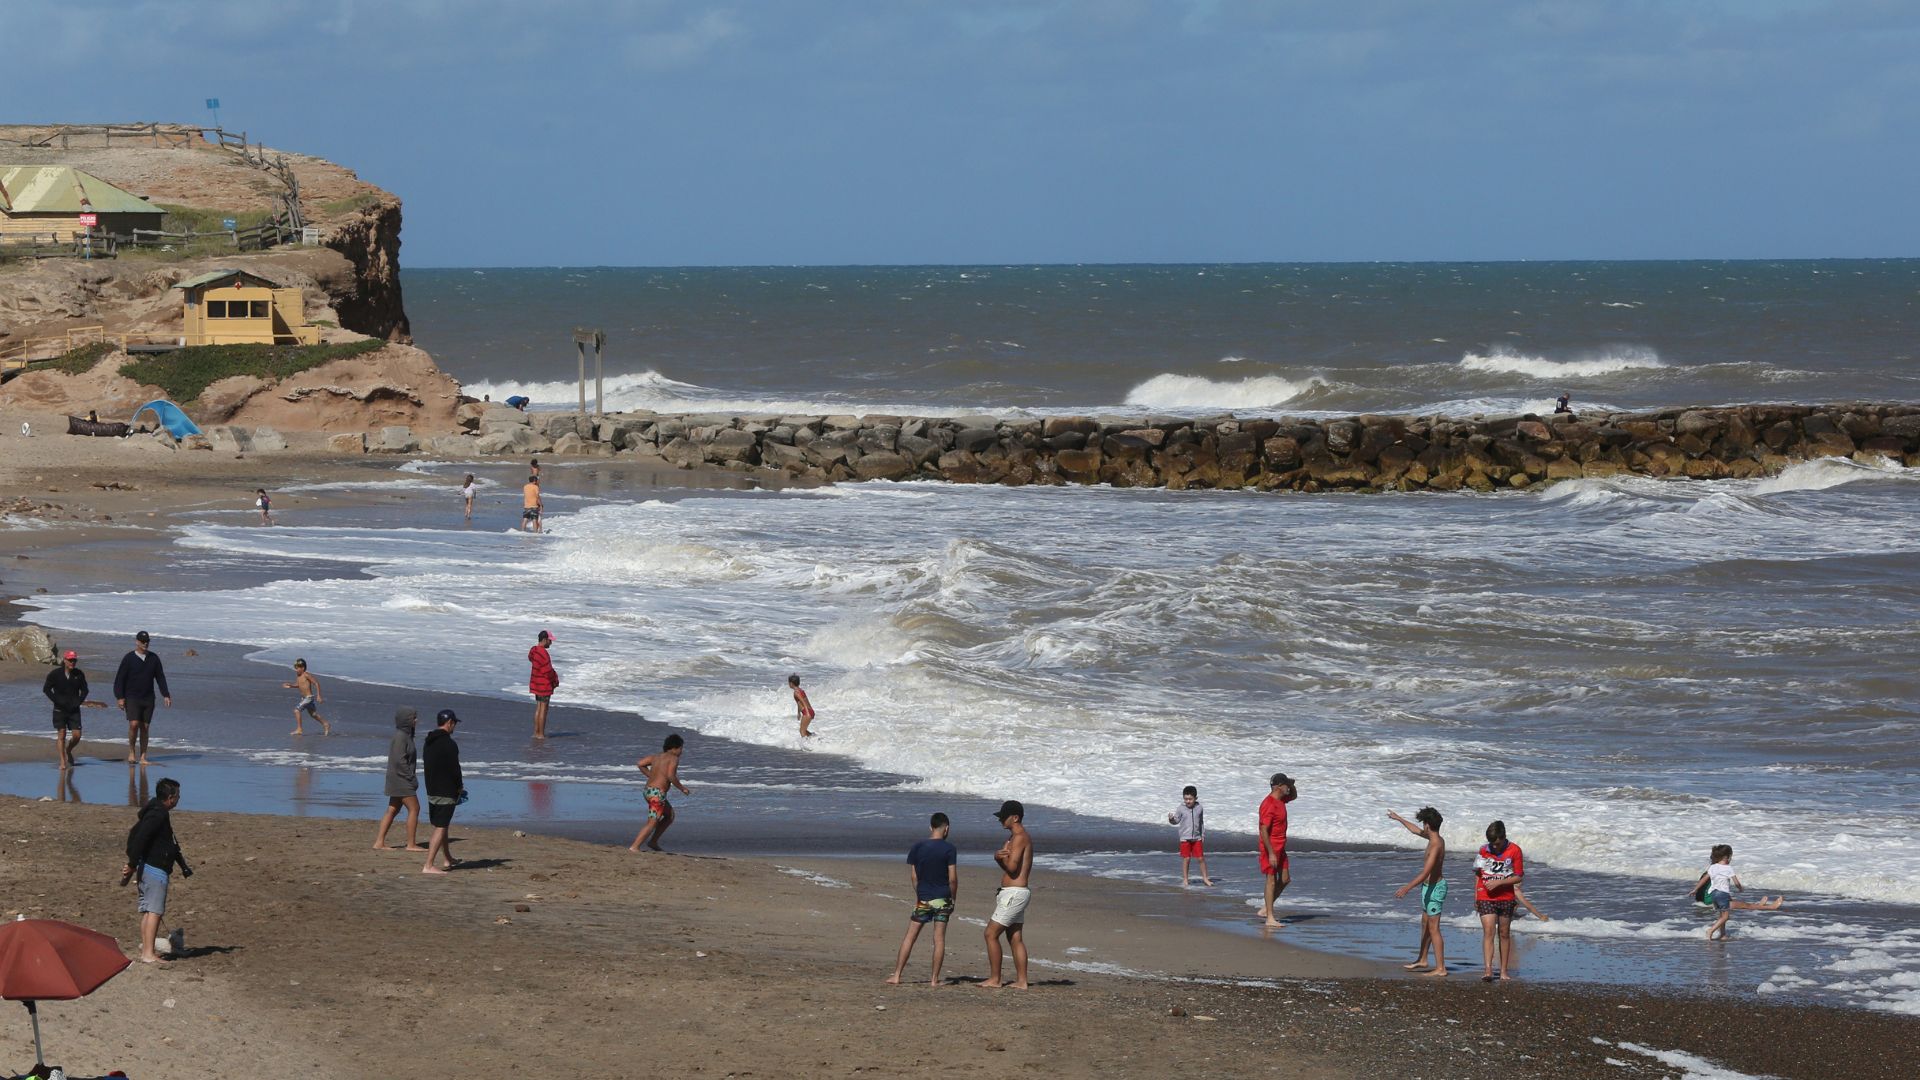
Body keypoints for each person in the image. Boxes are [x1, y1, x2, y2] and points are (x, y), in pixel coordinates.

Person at [122, 777, 191, 963]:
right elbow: (140, 838)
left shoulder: (154, 810)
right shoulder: (157, 814)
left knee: (148, 911)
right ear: (170, 798)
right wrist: (131, 863)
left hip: (148, 867)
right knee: (155, 911)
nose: (179, 799)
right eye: (178, 796)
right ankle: (148, 954)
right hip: (154, 869)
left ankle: (147, 950)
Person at [887, 812, 959, 986]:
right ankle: (934, 979)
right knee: (939, 938)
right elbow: (952, 878)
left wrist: (919, 893)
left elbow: (914, 876)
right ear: (947, 828)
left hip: (924, 898)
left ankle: (897, 975)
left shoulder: (918, 847)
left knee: (910, 937)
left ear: (930, 827)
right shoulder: (949, 849)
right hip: (942, 898)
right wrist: (953, 898)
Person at [1389, 807, 1449, 977]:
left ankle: (1441, 968)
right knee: (1426, 924)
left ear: (1428, 825)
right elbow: (1415, 831)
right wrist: (1399, 818)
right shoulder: (1433, 837)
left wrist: (1406, 888)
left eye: (1423, 824)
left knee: (1434, 928)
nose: (1422, 827)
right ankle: (1422, 959)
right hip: (1428, 888)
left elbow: (1425, 873)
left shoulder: (1436, 844)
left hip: (1435, 889)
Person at [982, 800, 1033, 989]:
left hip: (1014, 893)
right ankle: (1022, 981)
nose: (1000, 820)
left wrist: (998, 859)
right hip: (1016, 893)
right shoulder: (1016, 837)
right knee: (1014, 937)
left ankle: (995, 979)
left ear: (1015, 817)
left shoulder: (1019, 837)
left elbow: (1012, 868)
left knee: (990, 934)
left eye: (1003, 817)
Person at [1690, 844, 1784, 941]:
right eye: (1731, 856)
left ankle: (1723, 934)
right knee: (1741, 907)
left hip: (1713, 896)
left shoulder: (1712, 868)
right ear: (1727, 857)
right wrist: (1740, 888)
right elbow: (1736, 882)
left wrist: (1695, 890)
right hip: (1717, 897)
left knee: (1724, 914)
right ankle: (1769, 907)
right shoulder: (1728, 868)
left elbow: (1704, 881)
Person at [1473, 820, 1523, 982]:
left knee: (1504, 933)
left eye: (1497, 843)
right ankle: (1488, 970)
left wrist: (1499, 882)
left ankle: (1503, 971)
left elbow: (1518, 876)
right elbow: (1478, 874)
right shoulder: (1483, 850)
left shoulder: (1515, 850)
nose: (1494, 847)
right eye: (1491, 844)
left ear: (1504, 837)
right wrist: (1476, 895)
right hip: (1485, 896)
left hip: (1506, 897)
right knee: (1489, 931)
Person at [113, 630, 170, 765]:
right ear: (137, 642)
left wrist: (166, 694)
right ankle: (132, 752)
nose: (145, 644)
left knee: (145, 727)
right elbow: (119, 679)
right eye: (143, 641)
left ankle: (143, 756)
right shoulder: (129, 658)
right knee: (133, 725)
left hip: (148, 697)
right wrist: (120, 697)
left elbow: (160, 677)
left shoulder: (154, 658)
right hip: (132, 696)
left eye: (147, 641)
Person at [374, 707, 426, 851]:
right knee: (415, 808)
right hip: (401, 779)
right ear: (406, 720)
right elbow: (399, 761)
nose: (417, 720)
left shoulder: (406, 735)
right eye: (413, 718)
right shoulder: (401, 737)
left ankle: (379, 842)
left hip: (398, 778)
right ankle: (411, 844)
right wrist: (411, 778)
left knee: (393, 809)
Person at [628, 733, 691, 852]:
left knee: (669, 815)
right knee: (652, 822)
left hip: (648, 791)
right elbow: (671, 776)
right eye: (681, 748)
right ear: (674, 748)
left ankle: (653, 842)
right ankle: (635, 846)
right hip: (657, 794)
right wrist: (682, 788)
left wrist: (651, 775)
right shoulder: (673, 758)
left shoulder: (656, 757)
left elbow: (640, 764)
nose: (681, 751)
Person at [421, 709, 465, 874]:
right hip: (445, 790)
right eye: (454, 723)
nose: (454, 727)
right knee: (441, 827)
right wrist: (459, 786)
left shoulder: (429, 741)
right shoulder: (449, 744)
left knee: (442, 825)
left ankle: (447, 858)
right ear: (449, 723)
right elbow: (455, 769)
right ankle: (428, 865)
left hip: (431, 788)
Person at [1257, 772, 1297, 928]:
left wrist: (1291, 784)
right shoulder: (1268, 804)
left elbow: (1293, 796)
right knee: (1271, 880)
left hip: (1281, 846)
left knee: (1285, 879)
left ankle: (1266, 908)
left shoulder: (1282, 800)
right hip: (1270, 848)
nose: (1289, 788)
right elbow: (1263, 830)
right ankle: (1270, 918)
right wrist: (1271, 853)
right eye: (1287, 785)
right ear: (1279, 786)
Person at [44, 649, 90, 770]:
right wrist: (56, 700)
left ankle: (68, 749)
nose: (72, 662)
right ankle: (63, 760)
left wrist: (79, 702)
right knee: (62, 735)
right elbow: (46, 689)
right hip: (59, 709)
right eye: (70, 660)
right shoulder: (55, 674)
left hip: (74, 709)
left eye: (74, 660)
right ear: (64, 660)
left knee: (77, 735)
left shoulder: (79, 674)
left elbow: (85, 690)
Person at [1168, 785, 1211, 886]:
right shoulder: (1181, 808)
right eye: (1186, 799)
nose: (1188, 801)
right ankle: (1185, 879)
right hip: (1185, 838)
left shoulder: (1199, 808)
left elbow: (1201, 823)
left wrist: (1202, 834)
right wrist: (1171, 819)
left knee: (1201, 858)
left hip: (1197, 838)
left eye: (1190, 799)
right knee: (1186, 859)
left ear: (1195, 798)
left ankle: (1205, 878)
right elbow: (1176, 821)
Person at [282, 658, 330, 736]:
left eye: (297, 668)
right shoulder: (298, 676)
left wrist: (319, 695)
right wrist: (290, 685)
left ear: (303, 668)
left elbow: (316, 683)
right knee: (313, 714)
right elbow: (298, 685)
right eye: (296, 668)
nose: (296, 670)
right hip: (305, 699)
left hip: (308, 698)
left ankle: (299, 729)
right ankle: (326, 724)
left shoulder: (306, 675)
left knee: (296, 711)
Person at [528, 630, 558, 739]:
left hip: (536, 683)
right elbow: (548, 671)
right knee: (544, 709)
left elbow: (533, 661)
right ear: (544, 640)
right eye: (550, 641)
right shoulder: (543, 653)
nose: (551, 643)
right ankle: (540, 734)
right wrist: (555, 679)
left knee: (539, 707)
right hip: (544, 684)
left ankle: (536, 732)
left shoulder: (534, 651)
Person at [789, 674, 815, 738]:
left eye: (789, 683)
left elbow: (803, 702)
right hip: (810, 711)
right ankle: (814, 737)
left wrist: (807, 713)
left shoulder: (796, 692)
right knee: (804, 730)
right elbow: (799, 703)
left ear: (791, 683)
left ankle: (807, 745)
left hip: (807, 712)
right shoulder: (800, 690)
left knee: (802, 731)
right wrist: (799, 713)